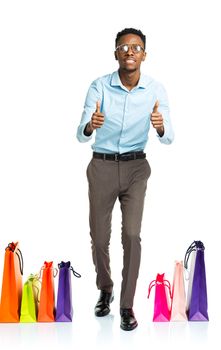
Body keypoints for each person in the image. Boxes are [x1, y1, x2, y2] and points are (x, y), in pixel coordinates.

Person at [77, 28, 174, 331]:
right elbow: (80, 132)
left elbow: (169, 136)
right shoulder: (99, 86)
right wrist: (91, 125)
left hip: (135, 168)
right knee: (99, 237)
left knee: (131, 235)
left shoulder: (155, 90)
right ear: (115, 53)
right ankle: (105, 288)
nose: (130, 51)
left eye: (136, 47)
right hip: (102, 166)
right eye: (124, 47)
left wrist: (159, 127)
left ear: (144, 54)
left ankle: (126, 306)